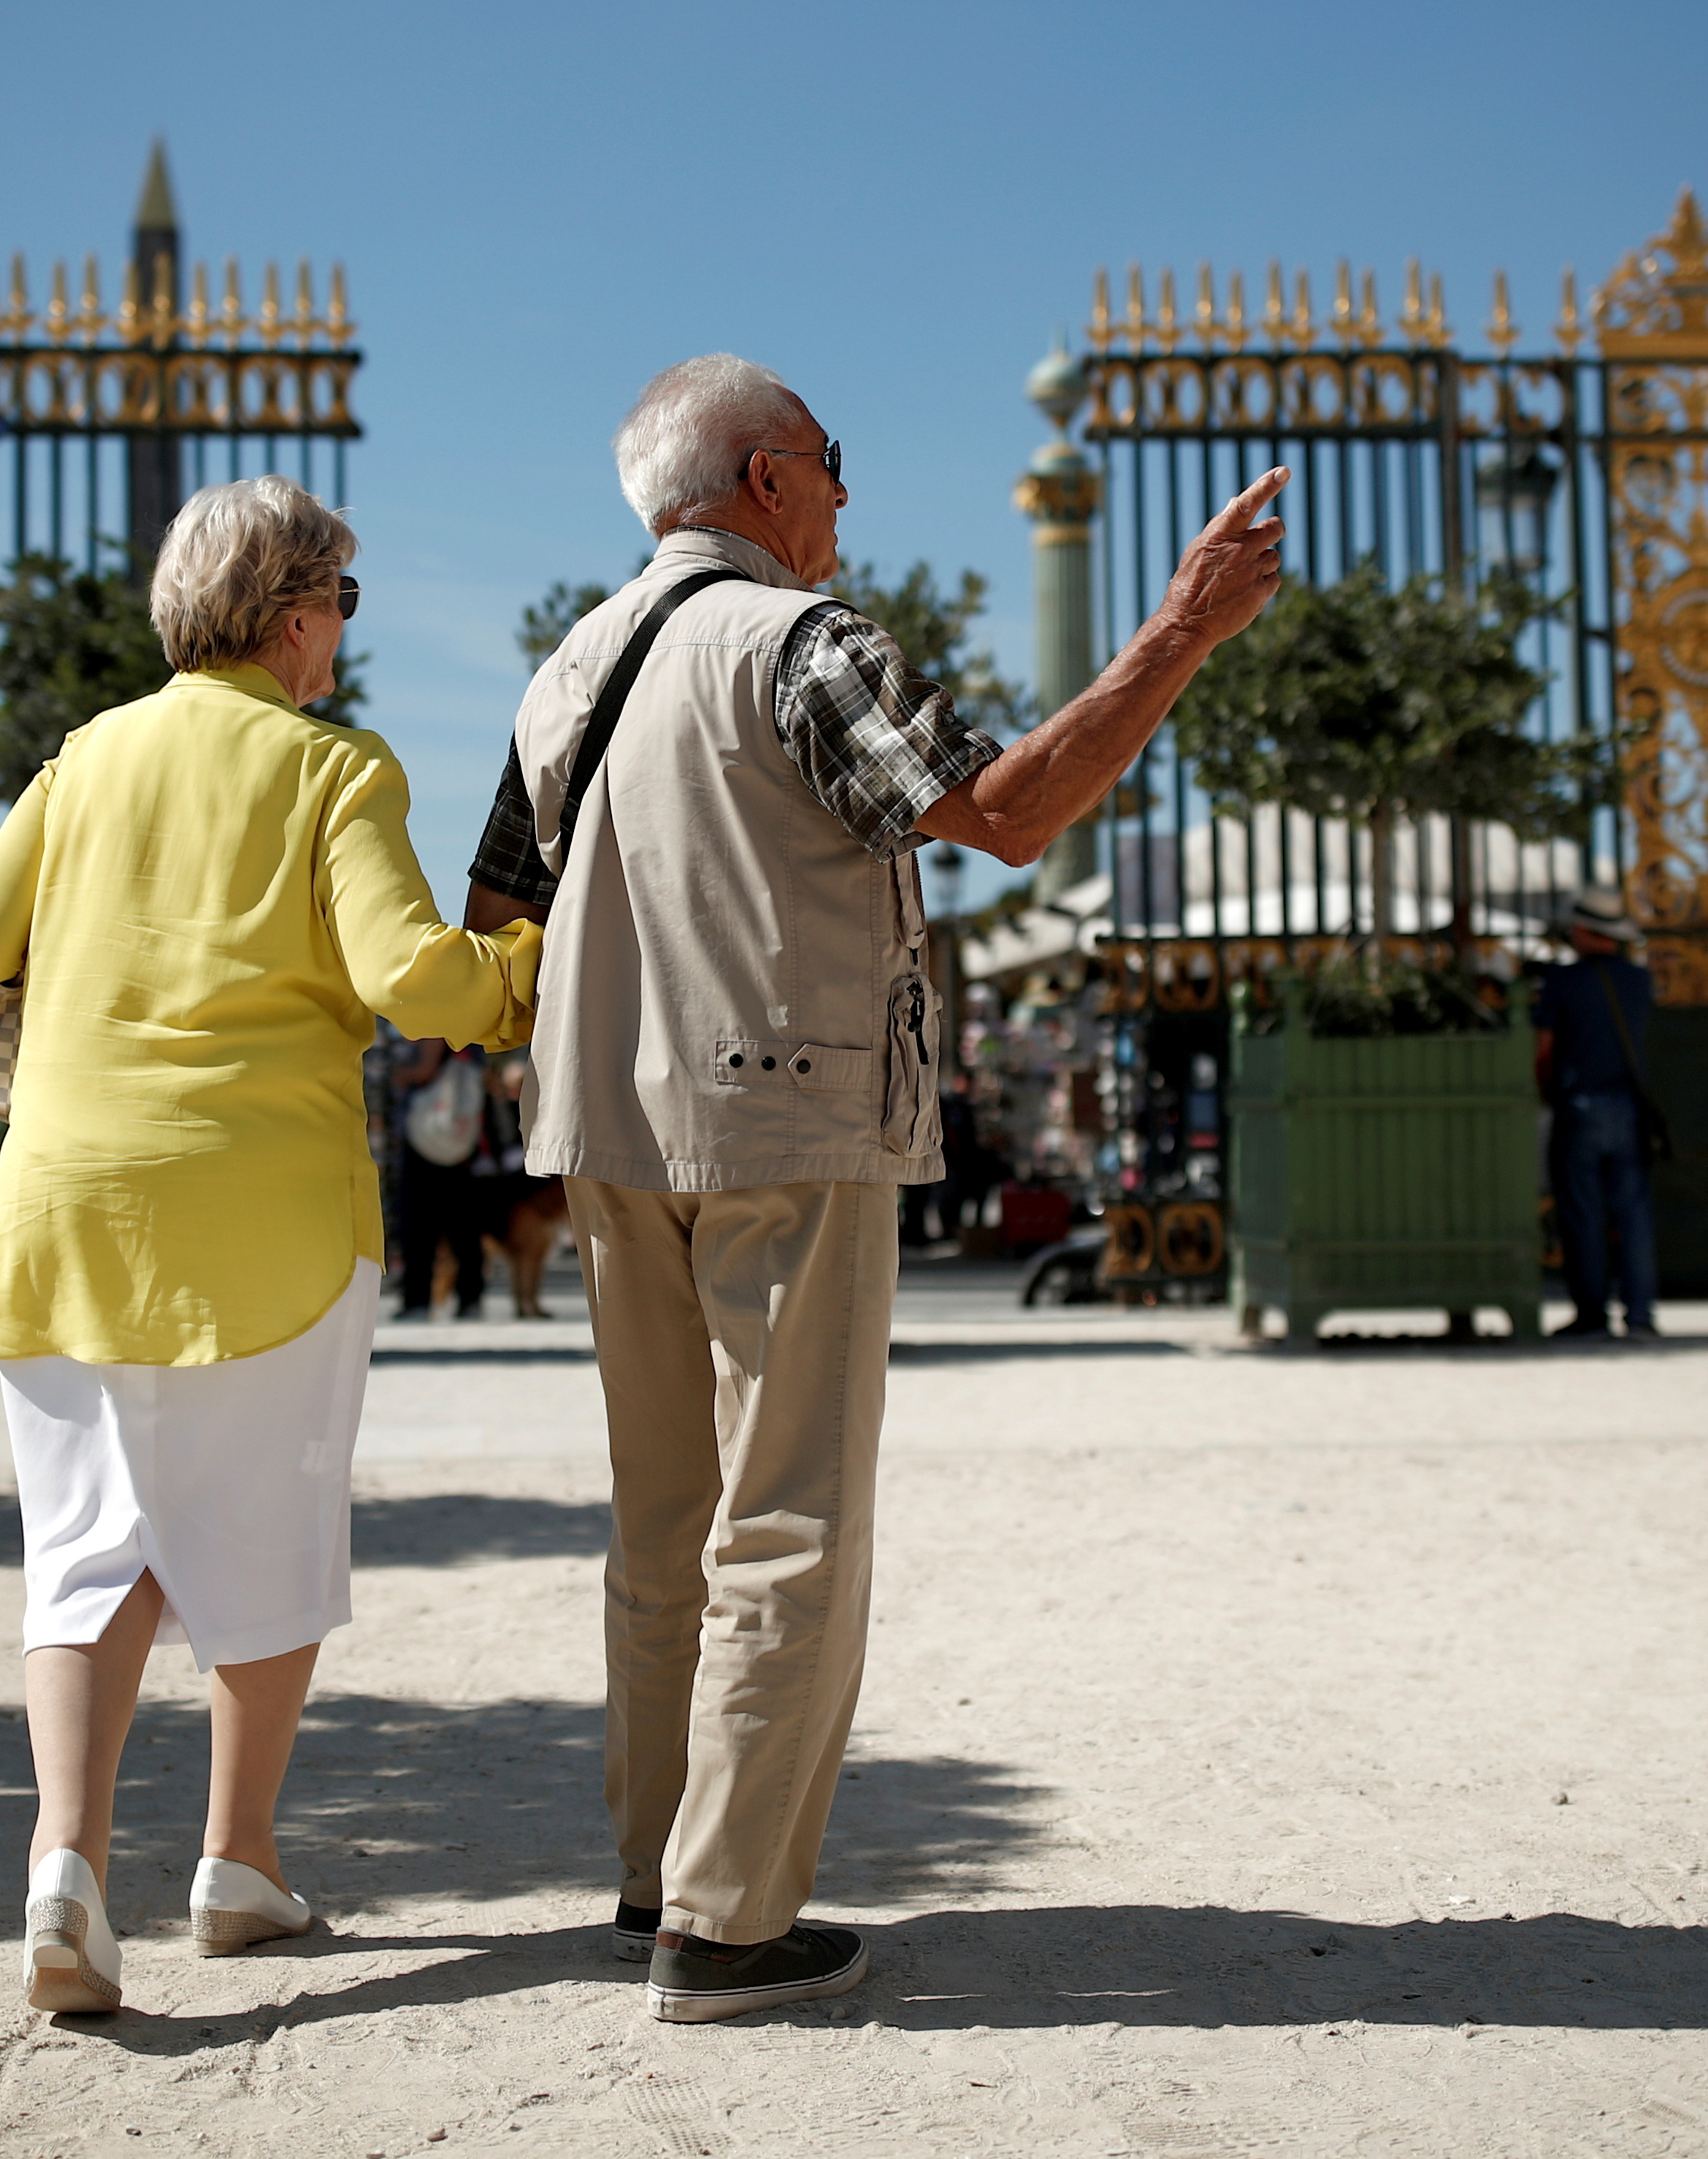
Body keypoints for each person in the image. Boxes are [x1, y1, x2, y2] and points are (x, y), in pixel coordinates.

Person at [463, 353, 1284, 2022]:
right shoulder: (800, 642)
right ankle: (727, 1920)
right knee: (789, 1519)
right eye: (831, 462)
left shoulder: (565, 666)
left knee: (660, 1524)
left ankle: (655, 1872)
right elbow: (1004, 810)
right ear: (765, 478)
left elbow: (498, 917)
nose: (844, 494)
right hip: (784, 1109)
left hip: (602, 1130)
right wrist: (1180, 630)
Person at [0, 475, 541, 2016]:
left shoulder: (83, 759)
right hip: (262, 1210)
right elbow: (417, 978)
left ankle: (64, 1863)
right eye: (339, 598)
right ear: (288, 614)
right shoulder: (333, 765)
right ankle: (236, 1861)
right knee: (261, 1537)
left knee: (82, 1552)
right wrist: (531, 952)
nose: (343, 629)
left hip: (67, 1207)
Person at [1533, 885, 1660, 1340]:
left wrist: (1544, 1090)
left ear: (1585, 931)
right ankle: (1641, 1315)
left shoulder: (1563, 982)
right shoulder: (1639, 981)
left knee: (1583, 1214)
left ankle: (1592, 1314)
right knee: (1633, 1214)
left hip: (1580, 1103)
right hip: (1628, 1106)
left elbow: (1543, 1049)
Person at [390, 1036, 489, 1319]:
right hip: (459, 1139)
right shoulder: (469, 1022)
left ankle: (418, 1299)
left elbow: (425, 1069)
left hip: (430, 1135)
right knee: (463, 1225)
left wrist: (396, 1074)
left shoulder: (432, 1023)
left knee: (419, 1223)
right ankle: (470, 1298)